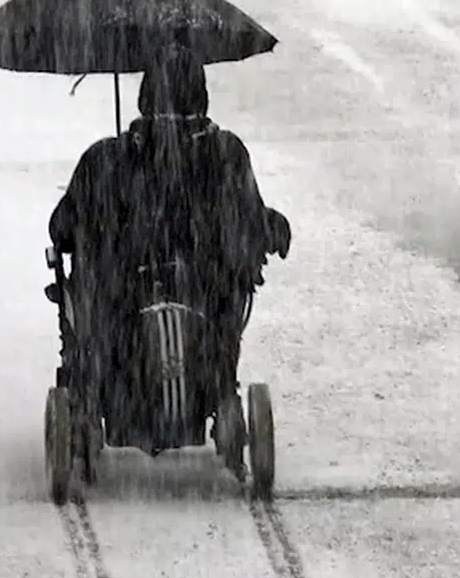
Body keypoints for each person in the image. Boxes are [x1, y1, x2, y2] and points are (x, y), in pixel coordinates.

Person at [47, 43, 290, 407]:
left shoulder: (105, 159)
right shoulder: (225, 154)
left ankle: (106, 402)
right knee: (223, 298)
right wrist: (272, 226)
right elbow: (249, 220)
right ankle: (216, 400)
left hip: (119, 309)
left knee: (97, 307)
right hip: (205, 298)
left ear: (145, 96)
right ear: (201, 95)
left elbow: (62, 229)